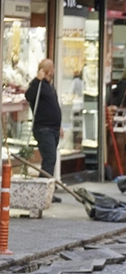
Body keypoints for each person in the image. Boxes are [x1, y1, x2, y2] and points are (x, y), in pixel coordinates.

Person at [24, 58, 63, 200]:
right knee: (49, 159)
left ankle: (46, 191)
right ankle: (42, 193)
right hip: (43, 128)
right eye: (51, 69)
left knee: (50, 160)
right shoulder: (38, 85)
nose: (52, 72)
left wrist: (59, 126)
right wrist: (36, 79)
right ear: (45, 70)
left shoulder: (49, 86)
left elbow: (53, 106)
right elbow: (29, 96)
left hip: (53, 128)